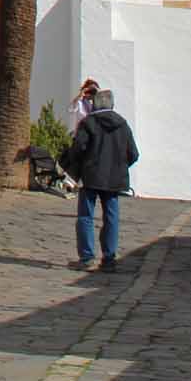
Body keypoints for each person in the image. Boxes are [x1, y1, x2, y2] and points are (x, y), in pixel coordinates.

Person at [60, 88, 138, 272]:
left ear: (95, 104)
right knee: (111, 217)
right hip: (113, 178)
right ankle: (109, 258)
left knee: (85, 216)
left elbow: (78, 148)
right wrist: (119, 166)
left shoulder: (89, 123)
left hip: (91, 175)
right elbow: (133, 153)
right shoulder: (123, 125)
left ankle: (87, 257)